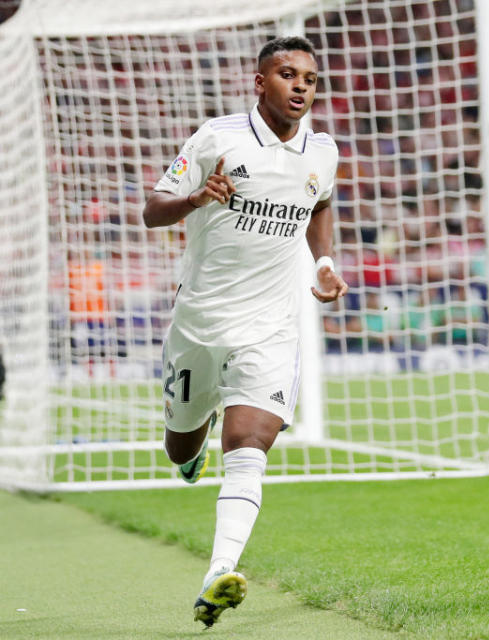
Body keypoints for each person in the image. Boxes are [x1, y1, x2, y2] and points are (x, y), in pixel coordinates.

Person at [142, 36, 348, 627]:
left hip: (273, 323)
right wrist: (193, 198)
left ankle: (218, 572)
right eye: (288, 74)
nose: (302, 85)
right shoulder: (219, 138)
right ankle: (190, 443)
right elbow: (151, 209)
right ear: (261, 82)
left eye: (310, 77)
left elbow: (320, 202)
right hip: (200, 320)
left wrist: (324, 263)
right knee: (180, 446)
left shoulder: (323, 150)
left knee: (250, 443)